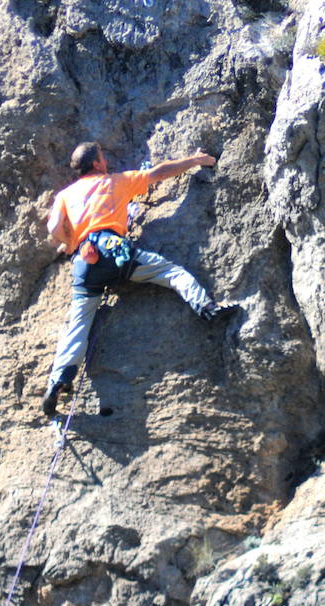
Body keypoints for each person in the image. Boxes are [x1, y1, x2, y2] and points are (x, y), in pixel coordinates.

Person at [40, 141, 236, 416]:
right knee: (170, 272)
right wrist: (196, 160)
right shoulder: (114, 182)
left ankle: (59, 380)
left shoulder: (65, 195)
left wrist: (70, 242)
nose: (105, 160)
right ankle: (206, 307)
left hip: (85, 261)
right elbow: (159, 172)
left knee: (78, 324)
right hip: (114, 251)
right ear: (96, 164)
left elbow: (52, 227)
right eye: (102, 156)